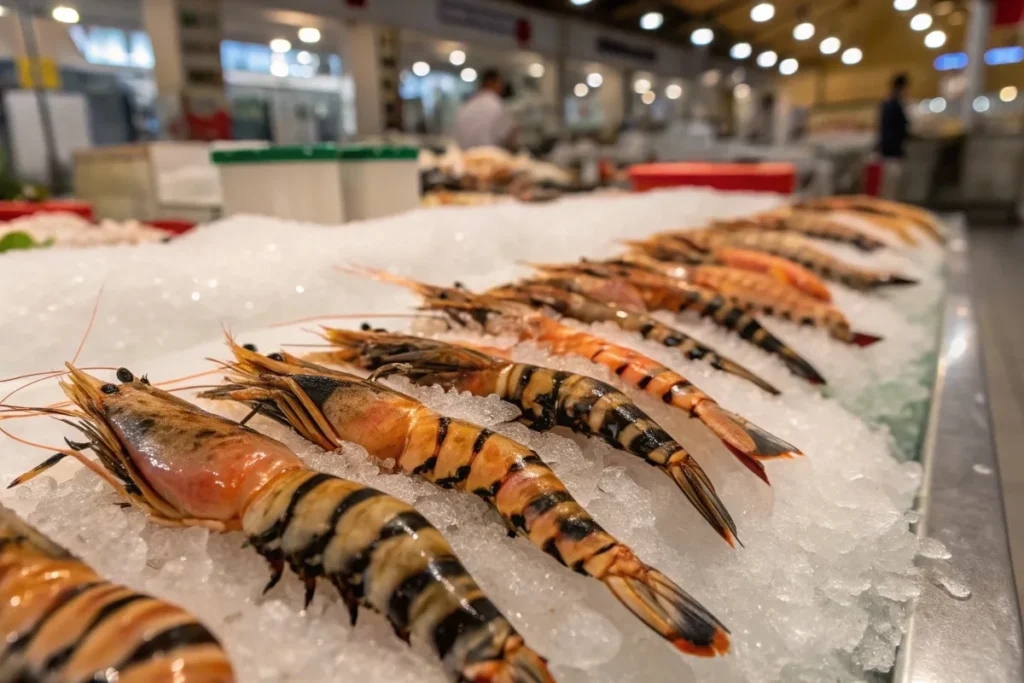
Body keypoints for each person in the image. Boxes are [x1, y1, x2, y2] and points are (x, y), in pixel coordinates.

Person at [453, 68, 515, 149]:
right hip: (490, 157)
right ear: (493, 83)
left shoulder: (467, 104)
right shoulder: (497, 105)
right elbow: (508, 137)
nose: (502, 87)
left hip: (464, 155)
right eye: (500, 83)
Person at [878, 73, 910, 200]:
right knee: (890, 187)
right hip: (891, 153)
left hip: (890, 151)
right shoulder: (893, 104)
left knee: (889, 187)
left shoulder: (890, 103)